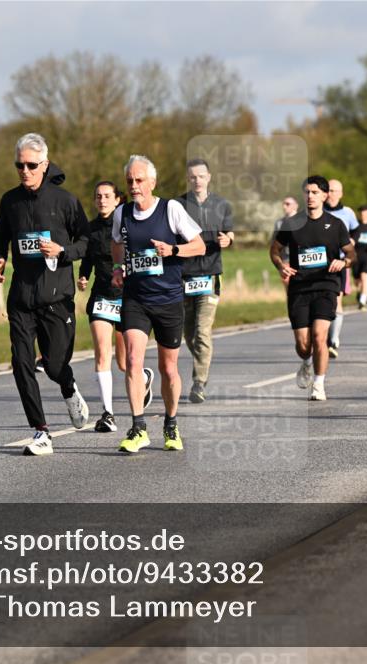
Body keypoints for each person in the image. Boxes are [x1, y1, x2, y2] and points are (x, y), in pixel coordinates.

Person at [0, 133, 90, 456]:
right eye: (19, 165)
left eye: (31, 165)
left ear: (44, 165)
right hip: (22, 298)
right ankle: (41, 431)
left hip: (56, 297)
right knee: (21, 362)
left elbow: (86, 242)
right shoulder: (10, 201)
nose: (24, 171)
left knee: (54, 364)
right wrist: (0, 259)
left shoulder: (65, 201)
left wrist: (63, 251)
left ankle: (68, 386)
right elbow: (0, 236)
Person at [111, 155, 204, 453]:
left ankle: (171, 424)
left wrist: (173, 248)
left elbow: (199, 245)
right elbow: (116, 242)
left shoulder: (170, 209)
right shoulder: (121, 213)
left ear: (152, 182)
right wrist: (117, 267)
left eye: (139, 180)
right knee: (134, 361)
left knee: (169, 368)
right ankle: (138, 427)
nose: (134, 186)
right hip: (135, 299)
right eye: (129, 181)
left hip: (168, 299)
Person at [78, 181, 154, 432]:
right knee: (102, 353)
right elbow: (88, 257)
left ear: (118, 199)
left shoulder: (127, 224)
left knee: (125, 363)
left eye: (106, 196)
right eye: (98, 196)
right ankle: (108, 414)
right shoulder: (89, 228)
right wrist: (83, 275)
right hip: (101, 296)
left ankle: (143, 377)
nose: (101, 200)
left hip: (127, 297)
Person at [271, 175, 353, 401]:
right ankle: (307, 362)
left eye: (315, 192)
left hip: (326, 285)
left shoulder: (336, 225)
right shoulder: (292, 223)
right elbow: (275, 250)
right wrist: (281, 266)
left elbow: (351, 252)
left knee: (319, 336)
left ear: (325, 195)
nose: (310, 196)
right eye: (307, 192)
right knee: (303, 345)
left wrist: (343, 262)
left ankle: (319, 384)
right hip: (299, 288)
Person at [177, 158, 234, 404]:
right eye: (192, 177)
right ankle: (203, 358)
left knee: (202, 331)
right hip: (184, 277)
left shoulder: (222, 204)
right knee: (188, 335)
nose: (197, 180)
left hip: (210, 275)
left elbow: (230, 232)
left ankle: (199, 382)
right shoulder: (177, 205)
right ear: (188, 179)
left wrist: (228, 240)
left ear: (209, 177)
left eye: (201, 176)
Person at [324, 178, 358, 357]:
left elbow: (356, 231)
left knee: (337, 299)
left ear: (340, 193)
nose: (331, 194)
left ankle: (333, 340)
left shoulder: (347, 212)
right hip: (320, 262)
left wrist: (351, 241)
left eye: (334, 190)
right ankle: (322, 336)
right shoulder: (317, 211)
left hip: (340, 262)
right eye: (328, 190)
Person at [273, 196, 299, 269]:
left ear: (295, 206)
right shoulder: (279, 223)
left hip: (301, 258)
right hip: (285, 259)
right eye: (283, 204)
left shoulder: (303, 221)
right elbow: (274, 242)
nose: (284, 206)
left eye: (287, 204)